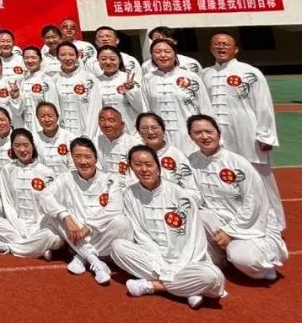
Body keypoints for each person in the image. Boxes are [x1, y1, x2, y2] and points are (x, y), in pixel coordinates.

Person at [111, 145, 227, 309]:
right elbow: (140, 234)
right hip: (154, 257)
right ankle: (188, 289)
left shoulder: (180, 195)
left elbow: (194, 240)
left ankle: (155, 286)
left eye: (148, 164)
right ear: (130, 168)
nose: (144, 169)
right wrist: (161, 263)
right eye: (137, 165)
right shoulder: (130, 194)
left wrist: (178, 266)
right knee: (118, 247)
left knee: (213, 277)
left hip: (186, 260)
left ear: (158, 167)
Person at [187, 114, 286, 281]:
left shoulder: (238, 163)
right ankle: (220, 259)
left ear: (218, 133)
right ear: (190, 137)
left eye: (208, 131)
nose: (204, 136)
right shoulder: (191, 161)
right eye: (197, 133)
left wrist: (230, 232)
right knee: (196, 214)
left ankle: (263, 264)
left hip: (249, 224)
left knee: (245, 259)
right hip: (217, 221)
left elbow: (254, 203)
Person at [200, 33, 283, 229]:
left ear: (236, 49)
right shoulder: (205, 74)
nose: (221, 47)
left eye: (225, 44)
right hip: (218, 136)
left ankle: (274, 223)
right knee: (228, 178)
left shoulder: (250, 73)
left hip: (247, 134)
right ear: (211, 48)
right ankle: (238, 220)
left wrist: (265, 135)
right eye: (216, 44)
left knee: (259, 179)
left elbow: (263, 104)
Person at [39, 137, 127, 285]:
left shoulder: (111, 180)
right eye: (77, 157)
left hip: (98, 234)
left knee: (122, 222)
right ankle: (94, 261)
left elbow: (116, 207)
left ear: (96, 158)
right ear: (72, 158)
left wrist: (89, 227)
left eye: (88, 157)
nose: (83, 161)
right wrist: (66, 216)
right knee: (55, 215)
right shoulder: (66, 177)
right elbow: (44, 196)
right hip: (76, 233)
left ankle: (82, 256)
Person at [0, 128, 63, 260]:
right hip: (17, 225)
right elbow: (8, 204)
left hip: (41, 225)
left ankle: (9, 247)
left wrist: (34, 229)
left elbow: (50, 207)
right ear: (12, 148)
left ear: (33, 145)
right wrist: (20, 227)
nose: (22, 149)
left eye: (26, 145)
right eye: (17, 145)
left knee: (52, 236)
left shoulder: (46, 172)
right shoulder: (7, 170)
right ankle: (36, 248)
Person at [142, 39, 210, 156]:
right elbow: (146, 110)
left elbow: (205, 107)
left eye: (167, 51)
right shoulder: (147, 79)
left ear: (175, 53)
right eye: (157, 52)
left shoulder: (191, 77)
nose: (162, 55)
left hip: (188, 135)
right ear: (152, 55)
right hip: (160, 136)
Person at [89, 46, 143, 130]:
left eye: (112, 59)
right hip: (104, 129)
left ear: (119, 60)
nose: (108, 62)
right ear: (98, 61)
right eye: (103, 59)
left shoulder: (130, 80)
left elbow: (141, 107)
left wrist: (131, 90)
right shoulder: (94, 82)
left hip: (129, 128)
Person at [136, 112, 193, 190]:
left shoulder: (177, 155)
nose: (150, 132)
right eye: (144, 128)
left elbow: (190, 188)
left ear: (163, 129)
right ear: (139, 132)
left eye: (154, 128)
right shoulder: (136, 156)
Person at [52, 42, 95, 136]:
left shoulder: (89, 79)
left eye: (71, 54)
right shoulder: (54, 80)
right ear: (57, 57)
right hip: (63, 133)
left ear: (77, 56)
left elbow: (95, 109)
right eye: (63, 55)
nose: (67, 58)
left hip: (85, 133)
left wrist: (89, 133)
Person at [12, 47, 59, 130]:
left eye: (33, 57)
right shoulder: (24, 80)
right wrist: (16, 97)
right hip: (27, 128)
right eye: (26, 58)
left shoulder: (46, 80)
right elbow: (19, 109)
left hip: (42, 128)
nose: (30, 61)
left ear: (40, 60)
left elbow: (53, 106)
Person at [94, 107, 141, 177]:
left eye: (111, 120)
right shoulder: (95, 142)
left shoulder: (135, 144)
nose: (106, 124)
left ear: (122, 125)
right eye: (102, 120)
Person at [33, 102, 76, 174]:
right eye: (42, 116)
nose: (46, 120)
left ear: (57, 117)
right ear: (37, 118)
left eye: (50, 116)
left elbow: (74, 167)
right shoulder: (34, 139)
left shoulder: (70, 139)